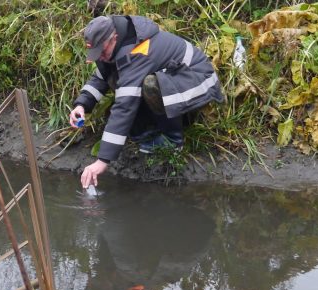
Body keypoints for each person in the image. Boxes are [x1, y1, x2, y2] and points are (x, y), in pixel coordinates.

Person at [70, 15, 225, 188]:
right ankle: (150, 135)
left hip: (199, 81)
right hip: (176, 81)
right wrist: (81, 105)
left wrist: (102, 161)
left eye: (102, 52)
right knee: (120, 79)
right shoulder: (117, 45)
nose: (101, 57)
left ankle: (173, 141)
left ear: (114, 38)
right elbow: (102, 76)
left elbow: (124, 107)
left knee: (151, 86)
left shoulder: (138, 51)